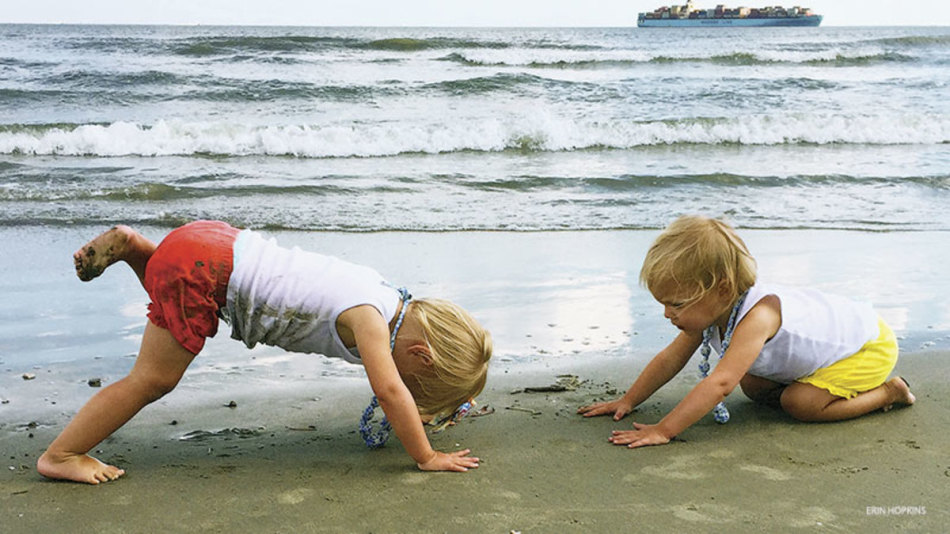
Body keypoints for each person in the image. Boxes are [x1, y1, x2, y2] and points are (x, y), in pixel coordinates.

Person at [37, 221, 491, 484]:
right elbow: (391, 391)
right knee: (154, 379)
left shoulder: (386, 294)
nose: (412, 390)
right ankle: (61, 455)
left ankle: (140, 250)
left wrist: (443, 405)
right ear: (422, 356)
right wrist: (427, 456)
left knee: (171, 300)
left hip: (212, 244)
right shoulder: (371, 321)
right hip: (204, 273)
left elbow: (400, 383)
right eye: (421, 384)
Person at [578, 215, 915, 448]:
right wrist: (629, 400)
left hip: (867, 346)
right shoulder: (713, 309)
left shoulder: (759, 316)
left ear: (722, 290)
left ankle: (889, 393)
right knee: (753, 385)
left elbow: (720, 383)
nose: (668, 314)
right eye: (664, 304)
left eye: (677, 304)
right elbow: (671, 359)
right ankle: (810, 386)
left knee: (800, 403)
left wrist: (664, 430)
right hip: (830, 350)